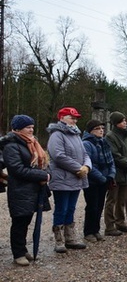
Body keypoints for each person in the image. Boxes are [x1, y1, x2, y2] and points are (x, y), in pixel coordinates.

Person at [3, 115, 50, 265]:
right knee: (19, 222)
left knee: (27, 220)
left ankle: (23, 249)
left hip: (33, 189)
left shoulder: (32, 144)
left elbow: (43, 164)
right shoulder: (11, 146)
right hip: (20, 190)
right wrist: (42, 175)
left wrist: (47, 174)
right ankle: (18, 253)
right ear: (17, 129)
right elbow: (17, 169)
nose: (31, 130)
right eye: (27, 127)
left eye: (32, 127)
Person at [47, 107, 91, 252]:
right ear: (61, 118)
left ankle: (70, 237)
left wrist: (87, 166)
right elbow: (58, 156)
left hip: (76, 178)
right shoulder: (57, 135)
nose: (74, 120)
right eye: (71, 118)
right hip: (62, 178)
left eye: (76, 118)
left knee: (71, 208)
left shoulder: (76, 135)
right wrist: (78, 168)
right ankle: (59, 240)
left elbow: (85, 153)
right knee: (62, 208)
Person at [82, 119, 116, 242]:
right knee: (92, 206)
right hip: (92, 181)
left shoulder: (104, 142)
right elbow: (89, 164)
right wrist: (101, 178)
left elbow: (111, 161)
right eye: (97, 128)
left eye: (102, 128)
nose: (101, 130)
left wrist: (111, 175)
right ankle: (88, 231)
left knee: (100, 206)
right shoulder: (87, 144)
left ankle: (96, 230)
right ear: (91, 131)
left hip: (104, 180)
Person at [104, 111, 127, 236]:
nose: (125, 122)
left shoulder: (126, 135)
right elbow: (115, 154)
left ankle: (120, 222)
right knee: (112, 200)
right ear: (116, 123)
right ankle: (109, 226)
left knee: (121, 199)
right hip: (116, 172)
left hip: (126, 172)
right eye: (122, 121)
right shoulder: (110, 137)